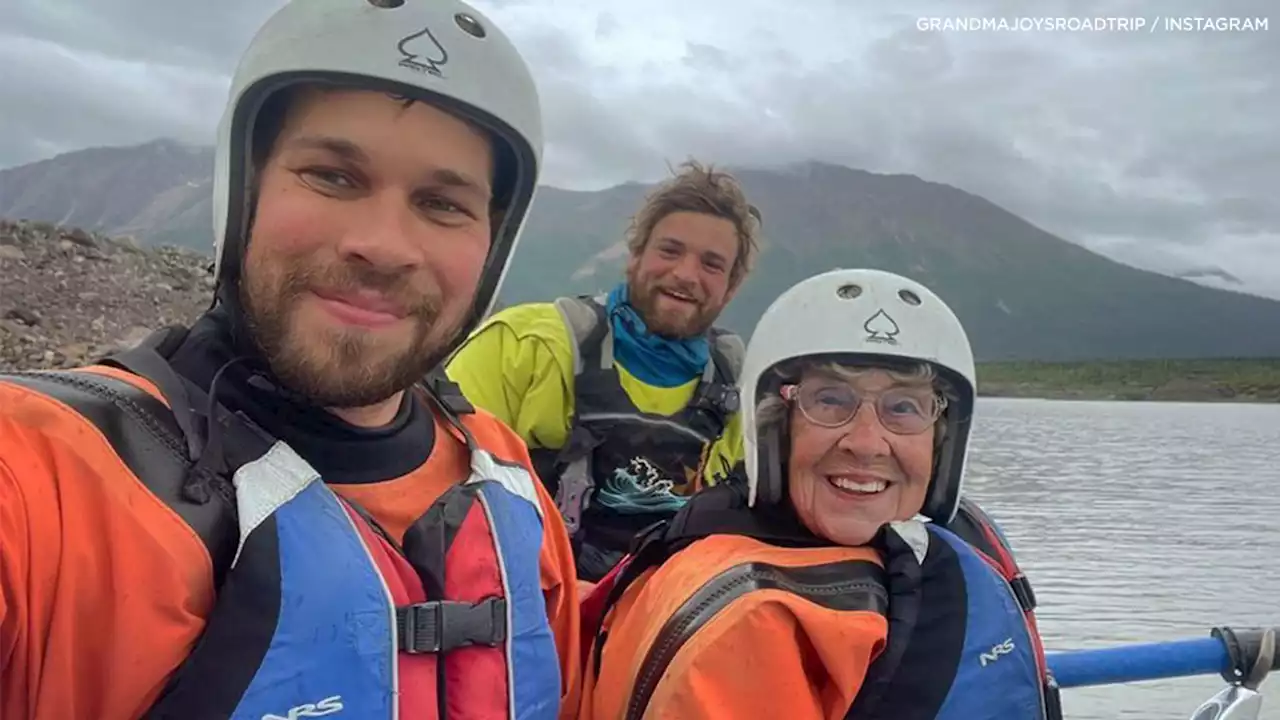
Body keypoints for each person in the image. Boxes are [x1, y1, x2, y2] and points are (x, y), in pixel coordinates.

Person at [0, 1, 582, 718]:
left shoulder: (511, 489)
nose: (385, 244)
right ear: (243, 192)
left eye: (442, 204)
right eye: (333, 176)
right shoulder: (39, 469)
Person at [576, 268, 1062, 720]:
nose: (867, 443)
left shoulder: (952, 542)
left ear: (941, 437)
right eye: (830, 399)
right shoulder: (750, 621)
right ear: (773, 426)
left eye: (904, 407)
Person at [446, 160, 763, 583]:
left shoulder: (740, 389)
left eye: (711, 264)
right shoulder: (523, 346)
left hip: (659, 620)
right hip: (522, 603)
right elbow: (437, 489)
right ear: (634, 257)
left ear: (732, 285)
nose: (685, 274)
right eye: (669, 250)